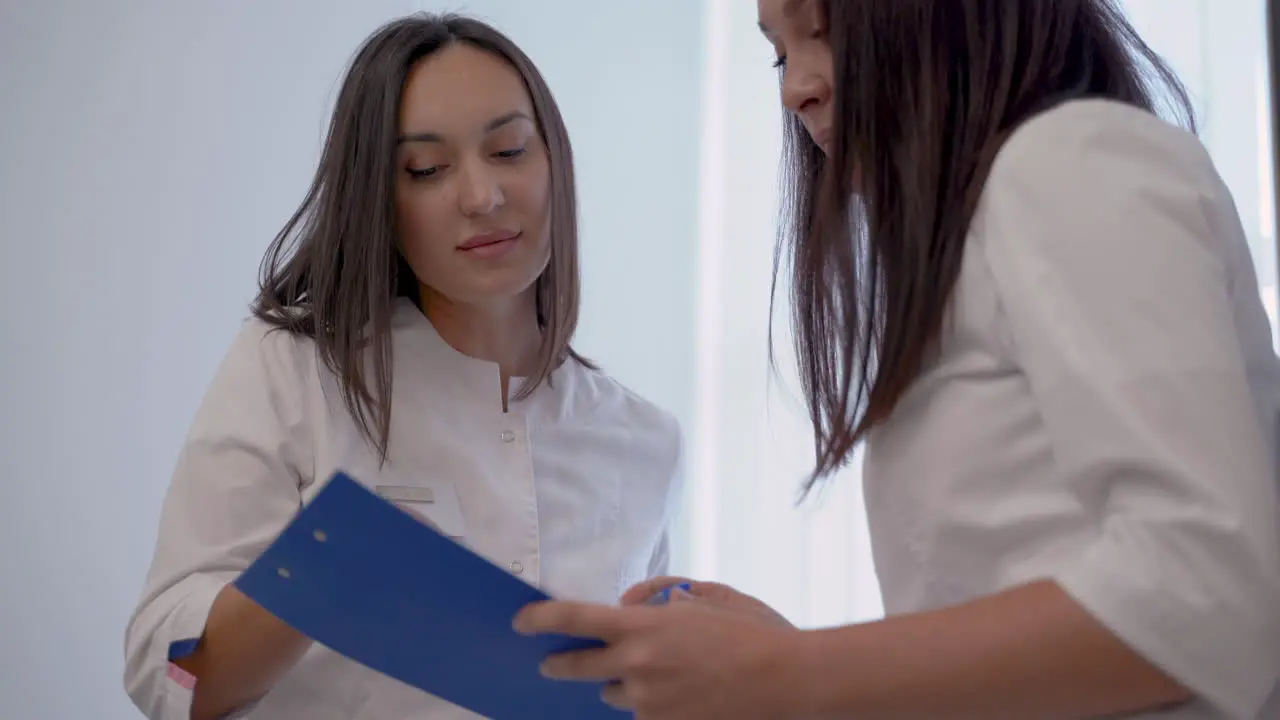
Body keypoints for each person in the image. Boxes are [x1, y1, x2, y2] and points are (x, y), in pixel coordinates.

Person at [514, 0, 1280, 717]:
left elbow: (1211, 593)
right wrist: (791, 657)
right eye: (779, 56)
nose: (796, 92)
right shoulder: (988, 228)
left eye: (825, 33)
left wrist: (783, 672)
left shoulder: (1069, 161)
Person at [123, 13, 682, 720]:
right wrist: (325, 573)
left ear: (555, 162)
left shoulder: (644, 442)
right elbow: (165, 679)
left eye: (509, 150)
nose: (481, 196)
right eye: (426, 169)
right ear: (380, 201)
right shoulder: (293, 371)